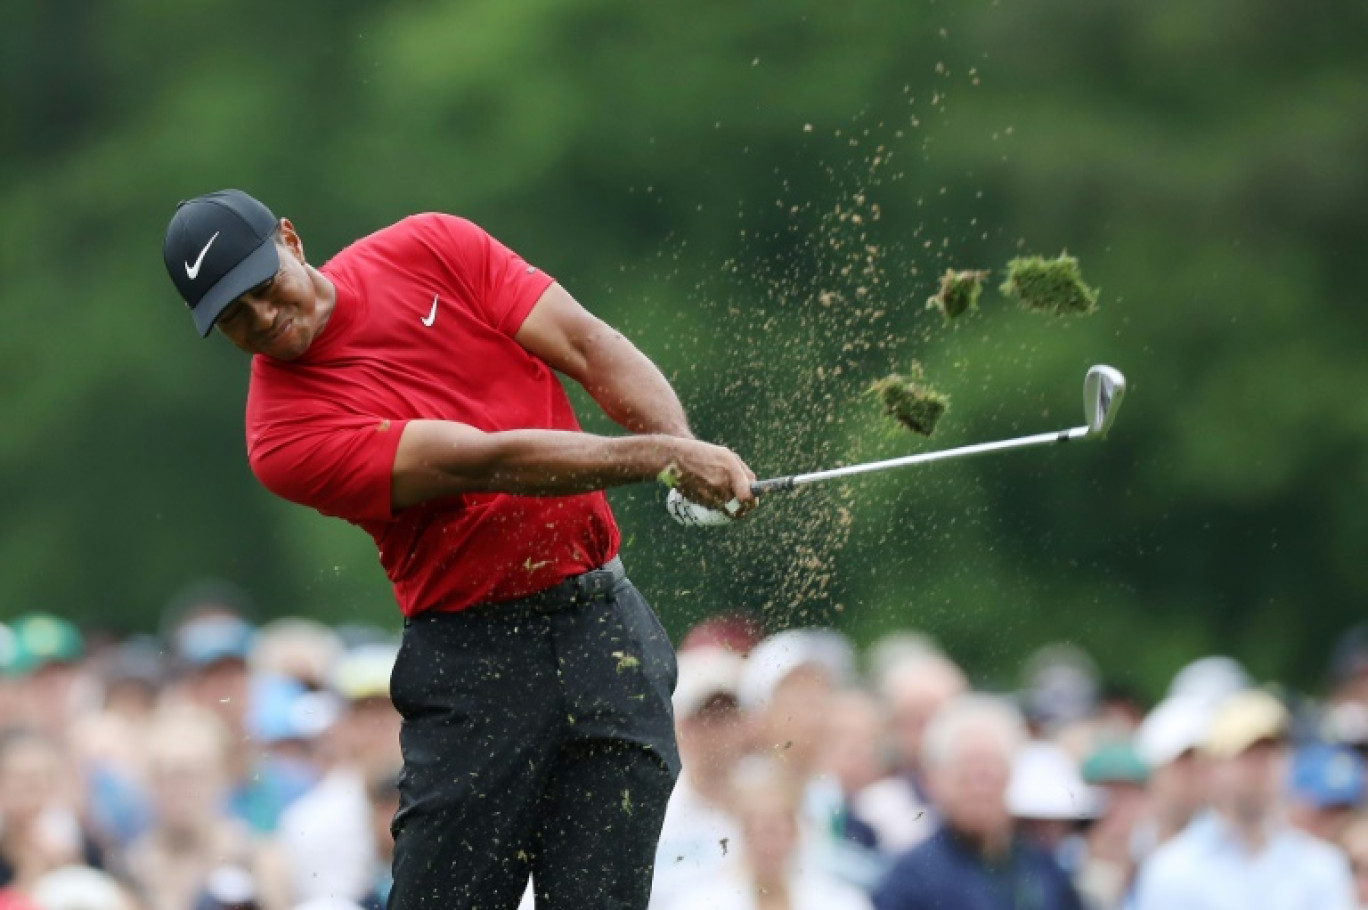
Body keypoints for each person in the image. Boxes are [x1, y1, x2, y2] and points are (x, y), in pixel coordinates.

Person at [161, 189, 757, 910]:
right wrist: (661, 458)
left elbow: (586, 344)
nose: (263, 320)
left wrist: (686, 453)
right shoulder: (282, 437)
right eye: (233, 319)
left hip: (606, 634)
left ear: (290, 239)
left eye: (262, 288)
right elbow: (480, 462)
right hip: (477, 670)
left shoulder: (430, 246)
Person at [1132, 689, 1356, 910]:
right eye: (1247, 755)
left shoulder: (1322, 867)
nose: (1261, 767)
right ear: (1212, 767)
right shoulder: (1171, 871)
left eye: (1272, 753)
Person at [872, 695, 1084, 910]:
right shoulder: (911, 879)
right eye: (966, 775)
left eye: (990, 774)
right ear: (935, 780)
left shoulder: (1043, 870)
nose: (980, 789)